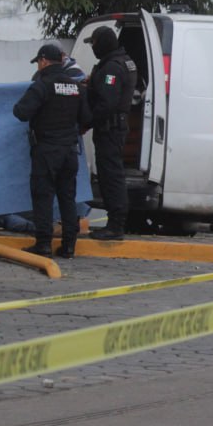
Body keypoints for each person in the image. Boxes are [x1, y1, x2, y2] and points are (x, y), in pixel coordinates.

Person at [13, 42, 91, 258]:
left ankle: (44, 244)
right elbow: (87, 118)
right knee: (67, 198)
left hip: (46, 150)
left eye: (38, 62)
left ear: (44, 61)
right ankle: (69, 246)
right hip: (69, 151)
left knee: (43, 197)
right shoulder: (75, 87)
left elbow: (21, 112)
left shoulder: (42, 85)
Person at [86, 26, 136, 240]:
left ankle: (115, 226)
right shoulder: (121, 61)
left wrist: (86, 122)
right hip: (113, 128)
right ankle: (114, 222)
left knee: (111, 176)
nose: (93, 48)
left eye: (94, 43)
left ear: (103, 43)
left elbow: (107, 102)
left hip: (110, 129)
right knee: (110, 174)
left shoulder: (112, 68)